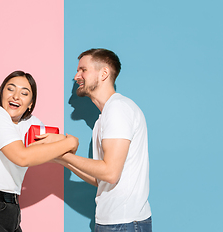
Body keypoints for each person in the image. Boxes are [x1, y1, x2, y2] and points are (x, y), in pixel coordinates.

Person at [38, 48, 152, 232]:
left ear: (104, 73)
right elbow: (101, 179)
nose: (76, 76)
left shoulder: (118, 109)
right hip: (112, 222)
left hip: (124, 223)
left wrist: (61, 153)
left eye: (83, 70)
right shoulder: (103, 118)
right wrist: (58, 157)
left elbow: (110, 173)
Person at [0, 71, 78, 232]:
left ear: (30, 104)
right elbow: (22, 157)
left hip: (9, 210)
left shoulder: (29, 124)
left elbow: (58, 150)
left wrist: (69, 144)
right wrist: (72, 141)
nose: (16, 96)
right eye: (10, 89)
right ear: (1, 93)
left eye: (24, 93)